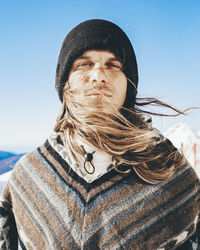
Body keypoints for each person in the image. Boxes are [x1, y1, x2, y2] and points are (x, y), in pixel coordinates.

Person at [0, 19, 200, 250]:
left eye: (113, 65)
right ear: (65, 83)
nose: (98, 76)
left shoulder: (169, 169)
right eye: (84, 65)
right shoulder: (30, 175)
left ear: (128, 85)